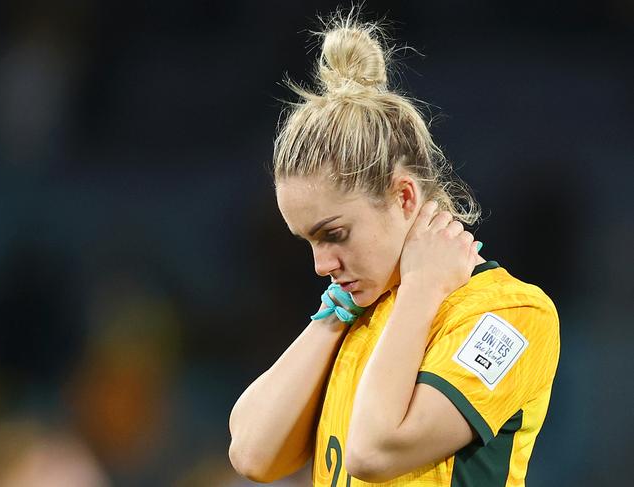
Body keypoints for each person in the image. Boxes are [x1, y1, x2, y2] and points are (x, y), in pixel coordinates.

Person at [228, 9, 560, 486]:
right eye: (308, 242)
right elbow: (251, 453)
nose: (322, 265)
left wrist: (422, 289)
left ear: (403, 196)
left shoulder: (510, 315)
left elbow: (374, 451)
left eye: (334, 234)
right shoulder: (355, 314)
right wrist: (332, 320)